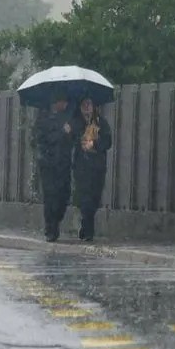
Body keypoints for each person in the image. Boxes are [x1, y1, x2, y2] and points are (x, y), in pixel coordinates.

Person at [69, 96, 113, 242]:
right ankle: (89, 231)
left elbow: (107, 141)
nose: (87, 107)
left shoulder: (100, 122)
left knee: (94, 199)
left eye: (89, 104)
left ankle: (86, 224)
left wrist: (94, 144)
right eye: (84, 104)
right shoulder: (75, 122)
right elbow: (71, 139)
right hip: (82, 167)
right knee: (85, 198)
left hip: (97, 167)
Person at [35, 92, 74, 242]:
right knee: (51, 197)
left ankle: (56, 220)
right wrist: (62, 133)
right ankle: (50, 228)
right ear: (56, 103)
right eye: (63, 102)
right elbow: (44, 140)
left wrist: (69, 133)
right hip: (48, 164)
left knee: (64, 195)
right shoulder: (44, 119)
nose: (65, 105)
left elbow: (71, 140)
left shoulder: (67, 118)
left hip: (63, 164)